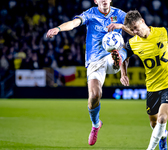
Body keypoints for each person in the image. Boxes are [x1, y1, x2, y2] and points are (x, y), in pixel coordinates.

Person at [46, 0, 133, 146]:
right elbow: (74, 23)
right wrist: (58, 29)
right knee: (94, 96)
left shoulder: (120, 14)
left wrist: (122, 26)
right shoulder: (90, 14)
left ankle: (118, 60)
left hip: (112, 56)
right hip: (95, 61)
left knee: (128, 46)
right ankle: (96, 124)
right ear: (96, 1)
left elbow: (139, 30)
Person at [120, 10, 168, 150]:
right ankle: (163, 135)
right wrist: (123, 74)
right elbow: (124, 58)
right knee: (154, 124)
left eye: (136, 27)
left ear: (142, 21)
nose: (135, 31)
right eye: (132, 30)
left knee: (162, 119)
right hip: (152, 87)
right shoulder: (132, 43)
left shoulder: (163, 32)